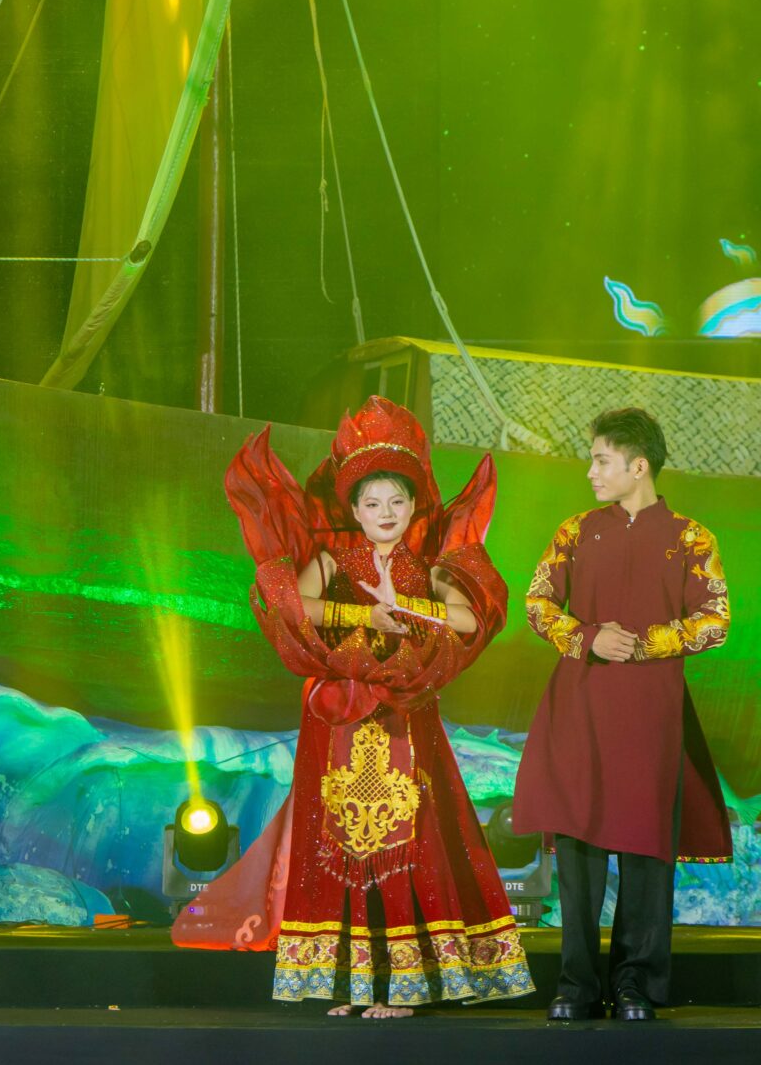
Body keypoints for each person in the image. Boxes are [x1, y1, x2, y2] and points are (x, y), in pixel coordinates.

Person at [174, 396, 534, 1015]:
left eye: (396, 502)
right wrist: (366, 614)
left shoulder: (428, 567)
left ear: (414, 505)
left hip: (403, 717)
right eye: (372, 503)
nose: (385, 513)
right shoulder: (333, 560)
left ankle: (407, 988)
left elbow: (468, 620)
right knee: (337, 846)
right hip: (339, 718)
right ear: (354, 509)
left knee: (410, 844)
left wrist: (406, 605)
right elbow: (291, 604)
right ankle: (352, 984)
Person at [512, 407, 732, 1022]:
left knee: (646, 849)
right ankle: (576, 985)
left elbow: (714, 621)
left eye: (601, 460)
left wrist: (643, 644)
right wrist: (587, 638)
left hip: (650, 715)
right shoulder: (576, 532)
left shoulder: (692, 538)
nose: (590, 472)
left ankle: (636, 984)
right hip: (579, 707)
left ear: (639, 466)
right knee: (578, 847)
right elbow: (537, 603)